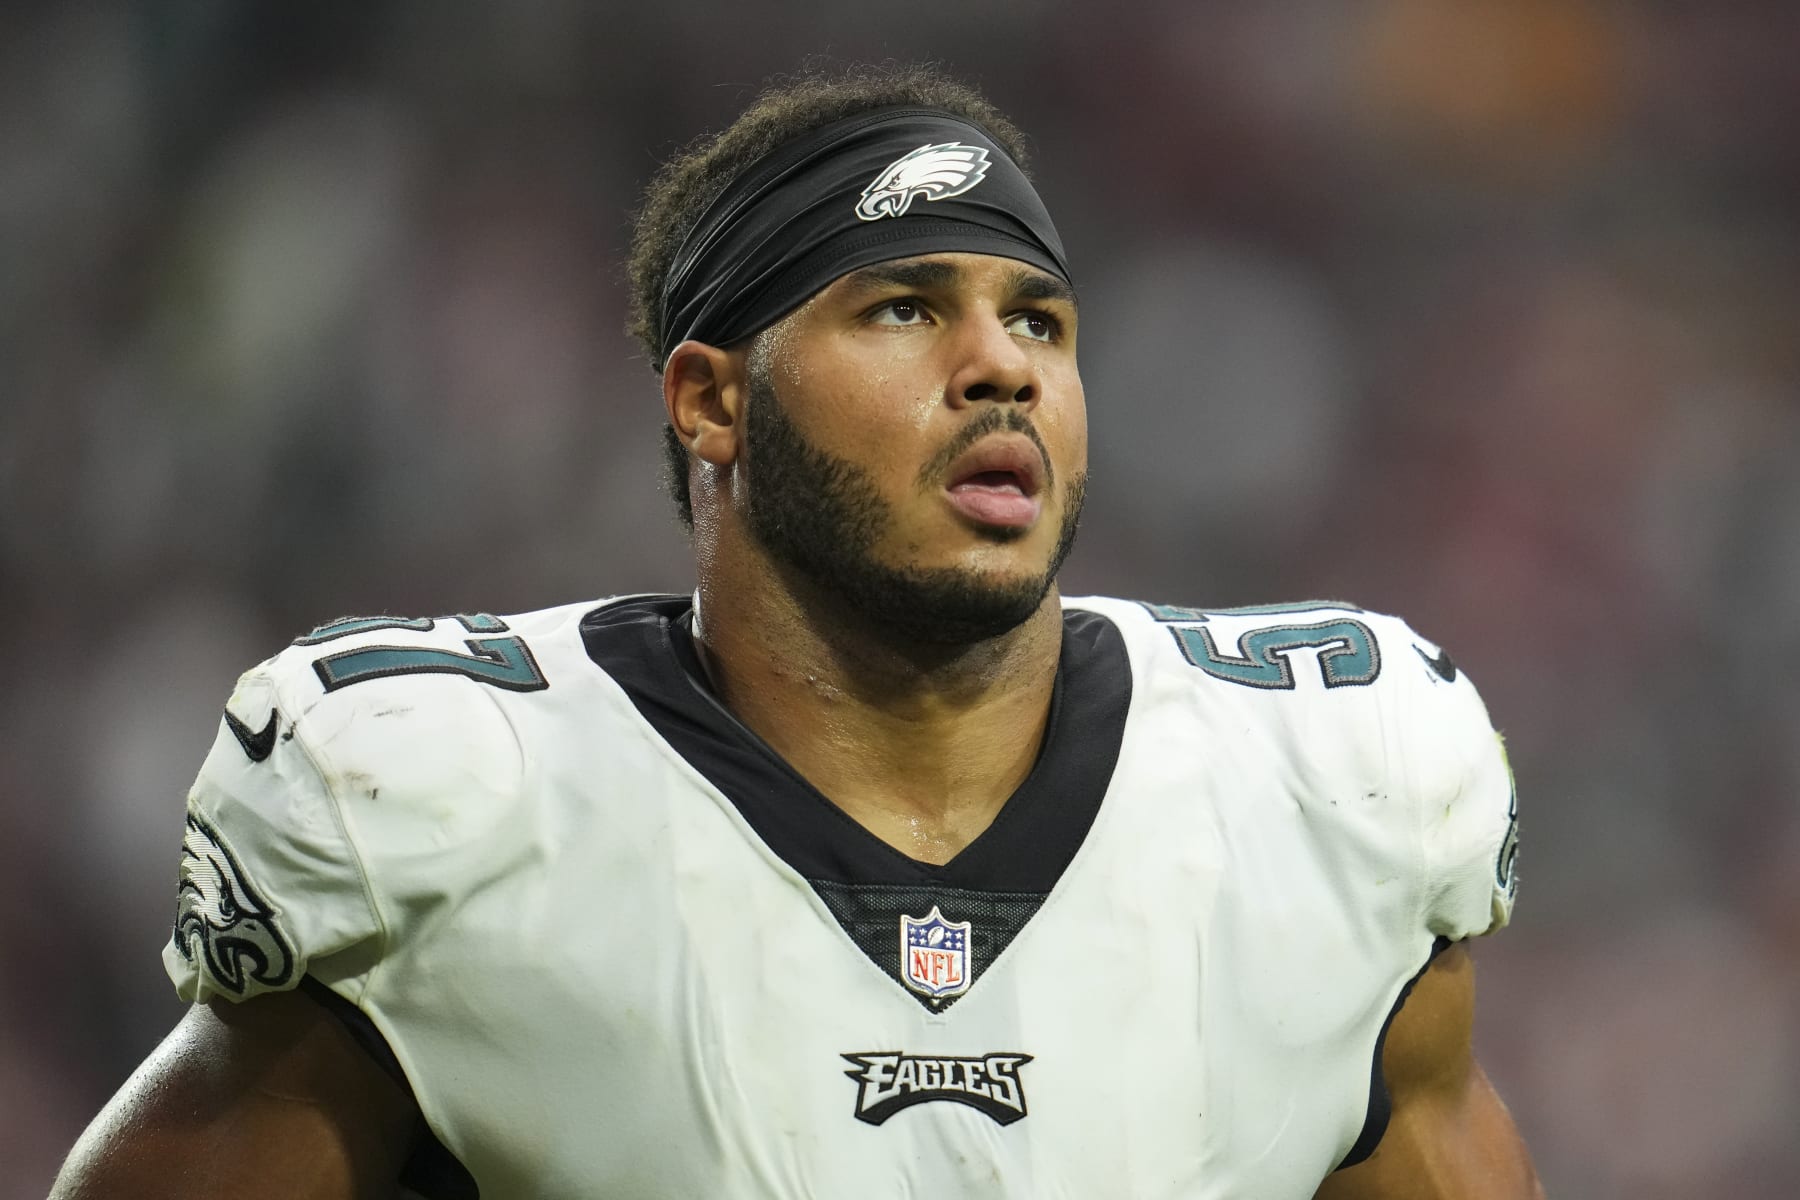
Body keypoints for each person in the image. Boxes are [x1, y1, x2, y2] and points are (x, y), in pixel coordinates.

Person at [51, 64, 1540, 1199]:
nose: (1000, 367)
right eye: (903, 309)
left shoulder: (1337, 784)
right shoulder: (442, 802)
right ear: (711, 400)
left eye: (1039, 320)